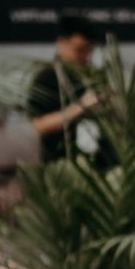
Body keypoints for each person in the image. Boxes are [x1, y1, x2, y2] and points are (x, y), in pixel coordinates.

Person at [24, 18, 108, 162]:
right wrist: (79, 108)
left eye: (89, 51)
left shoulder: (92, 76)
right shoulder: (47, 77)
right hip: (57, 164)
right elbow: (37, 126)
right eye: (79, 50)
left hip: (94, 162)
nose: (85, 57)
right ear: (61, 43)